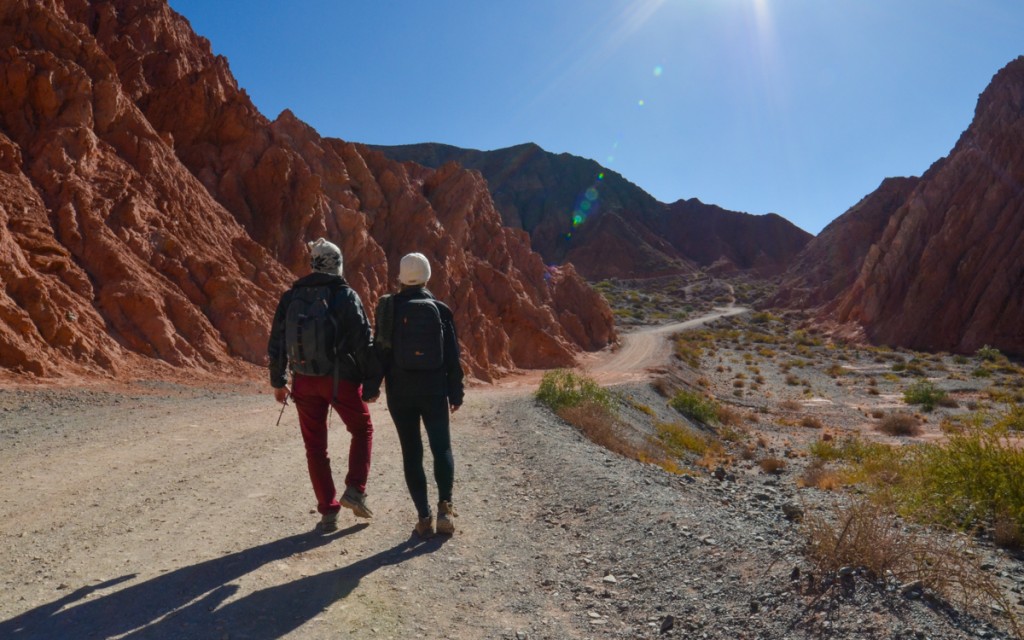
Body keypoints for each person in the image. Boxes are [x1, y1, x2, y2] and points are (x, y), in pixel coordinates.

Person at [267, 238, 380, 532]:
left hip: (304, 380)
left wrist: (278, 382)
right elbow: (363, 342)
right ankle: (355, 489)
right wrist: (371, 383)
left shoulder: (291, 297)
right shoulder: (345, 295)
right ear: (338, 264)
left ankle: (328, 512)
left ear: (313, 263)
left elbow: (277, 342)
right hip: (340, 380)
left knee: (315, 447)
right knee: (362, 429)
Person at [364, 252, 464, 538]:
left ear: (400, 277)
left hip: (401, 392)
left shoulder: (389, 308)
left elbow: (380, 351)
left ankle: (423, 518)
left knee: (412, 452)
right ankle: (445, 510)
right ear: (427, 276)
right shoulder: (441, 310)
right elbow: (453, 358)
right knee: (441, 447)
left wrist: (371, 388)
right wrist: (456, 393)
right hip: (434, 390)